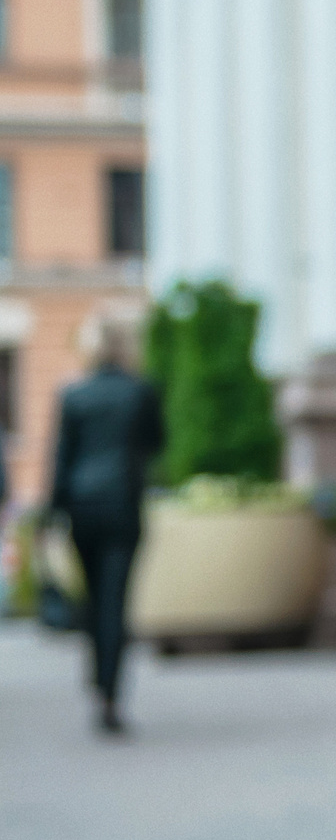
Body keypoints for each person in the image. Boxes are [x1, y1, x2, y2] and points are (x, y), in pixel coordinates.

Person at [47, 308, 164, 736]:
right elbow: (156, 443)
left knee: (94, 598)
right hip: (122, 505)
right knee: (116, 601)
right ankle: (110, 696)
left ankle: (97, 675)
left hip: (81, 506)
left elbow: (61, 459)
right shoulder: (140, 392)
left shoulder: (73, 395)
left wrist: (50, 514)